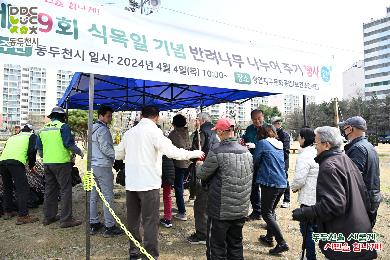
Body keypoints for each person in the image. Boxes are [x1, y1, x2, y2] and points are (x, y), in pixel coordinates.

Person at [115, 106, 204, 260]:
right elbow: (173, 152)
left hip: (132, 184)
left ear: (141, 116)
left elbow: (118, 154)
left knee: (133, 220)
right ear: (156, 117)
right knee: (150, 222)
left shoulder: (129, 133)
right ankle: (150, 255)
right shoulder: (155, 132)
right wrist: (194, 154)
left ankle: (134, 253)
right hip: (149, 184)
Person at [292, 126, 377, 260]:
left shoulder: (329, 166)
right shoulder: (345, 159)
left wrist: (304, 213)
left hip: (346, 237)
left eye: (316, 143)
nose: (315, 147)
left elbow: (334, 205)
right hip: (358, 230)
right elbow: (364, 193)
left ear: (326, 145)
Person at [196, 118, 253, 260]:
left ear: (221, 132)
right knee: (235, 245)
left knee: (216, 248)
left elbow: (202, 174)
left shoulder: (217, 151)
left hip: (220, 211)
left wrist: (199, 165)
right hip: (240, 209)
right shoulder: (247, 152)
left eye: (217, 132)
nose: (216, 134)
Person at [36, 106, 84, 228]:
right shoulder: (63, 127)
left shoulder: (42, 130)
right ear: (63, 117)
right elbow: (68, 144)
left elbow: (40, 149)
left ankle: (49, 217)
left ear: (51, 117)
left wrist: (46, 157)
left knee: (50, 190)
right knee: (65, 190)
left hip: (47, 163)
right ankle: (66, 219)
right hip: (62, 163)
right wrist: (80, 152)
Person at [339, 116, 382, 228]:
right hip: (370, 197)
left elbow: (352, 178)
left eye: (344, 128)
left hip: (362, 201)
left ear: (350, 129)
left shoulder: (357, 148)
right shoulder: (368, 145)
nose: (343, 131)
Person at [254, 125, 289, 255]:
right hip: (281, 183)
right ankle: (269, 237)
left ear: (261, 134)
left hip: (270, 182)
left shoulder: (263, 143)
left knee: (266, 213)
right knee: (271, 210)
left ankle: (281, 242)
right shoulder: (279, 144)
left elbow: (255, 160)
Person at [89, 105, 123, 237]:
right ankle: (109, 226)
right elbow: (106, 148)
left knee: (93, 196)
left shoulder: (91, 127)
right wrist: (118, 156)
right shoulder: (103, 130)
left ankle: (94, 223)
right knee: (108, 196)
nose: (110, 118)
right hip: (103, 166)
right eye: (108, 115)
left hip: (92, 165)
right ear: (101, 116)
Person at [188, 112, 219, 245]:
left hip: (203, 171)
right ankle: (210, 230)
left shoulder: (201, 133)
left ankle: (202, 234)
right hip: (216, 172)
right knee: (210, 203)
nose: (195, 122)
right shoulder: (217, 133)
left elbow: (196, 153)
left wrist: (189, 154)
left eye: (196, 120)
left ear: (200, 120)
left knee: (200, 204)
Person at [0, 124, 38, 224]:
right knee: (22, 189)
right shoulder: (31, 136)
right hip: (16, 162)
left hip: (3, 162)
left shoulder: (13, 137)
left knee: (7, 187)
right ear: (32, 131)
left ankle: (8, 212)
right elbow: (32, 151)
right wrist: (31, 165)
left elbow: (5, 148)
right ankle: (23, 216)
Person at [290, 127, 319, 260]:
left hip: (308, 199)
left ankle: (310, 257)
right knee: (315, 228)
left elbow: (299, 179)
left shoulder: (305, 155)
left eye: (299, 137)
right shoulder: (316, 151)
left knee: (307, 231)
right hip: (319, 198)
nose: (297, 139)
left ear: (303, 138)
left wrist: (293, 187)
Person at [168, 114, 191, 221]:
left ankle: (182, 212)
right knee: (180, 186)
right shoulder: (187, 132)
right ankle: (181, 209)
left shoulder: (173, 134)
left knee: (178, 188)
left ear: (174, 124)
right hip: (188, 163)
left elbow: (168, 149)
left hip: (179, 164)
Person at [242, 109, 264, 221]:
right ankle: (257, 211)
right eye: (254, 119)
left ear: (263, 117)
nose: (257, 121)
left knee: (265, 188)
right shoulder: (249, 129)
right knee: (253, 187)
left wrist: (256, 145)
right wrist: (244, 143)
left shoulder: (268, 128)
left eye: (259, 118)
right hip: (251, 161)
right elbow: (245, 140)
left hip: (264, 162)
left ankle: (268, 214)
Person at [272, 116, 291, 208]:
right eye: (276, 122)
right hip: (274, 160)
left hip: (283, 160)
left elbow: (286, 151)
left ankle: (287, 199)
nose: (278, 124)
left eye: (279, 122)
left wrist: (280, 158)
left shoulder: (284, 134)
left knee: (284, 179)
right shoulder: (271, 134)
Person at [160, 155, 175, 228]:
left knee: (154, 196)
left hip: (159, 175)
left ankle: (152, 218)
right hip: (169, 176)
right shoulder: (169, 151)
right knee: (168, 197)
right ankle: (168, 219)